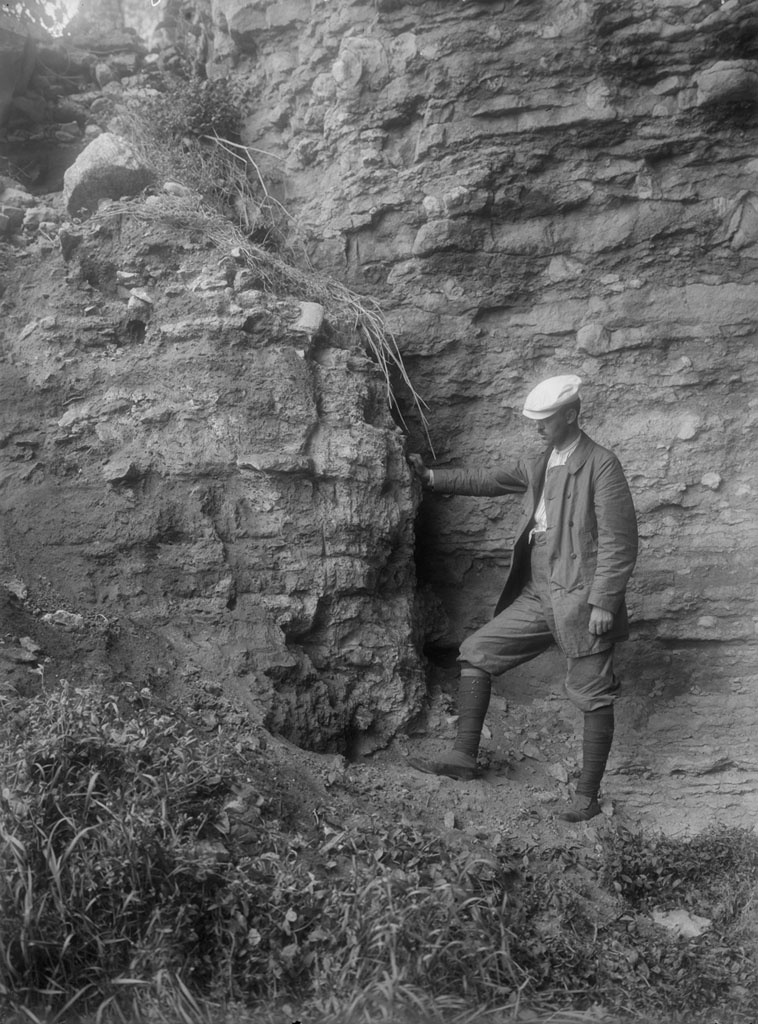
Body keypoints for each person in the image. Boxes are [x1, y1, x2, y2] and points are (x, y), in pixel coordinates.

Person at [407, 374, 638, 822]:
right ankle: (462, 758)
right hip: (538, 594)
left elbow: (619, 541)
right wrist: (432, 477)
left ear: (571, 415)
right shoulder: (541, 460)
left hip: (580, 598)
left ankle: (586, 798)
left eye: (545, 421)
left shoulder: (602, 465)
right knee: (477, 652)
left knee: (592, 693)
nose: (538, 429)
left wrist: (605, 602)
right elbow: (489, 478)